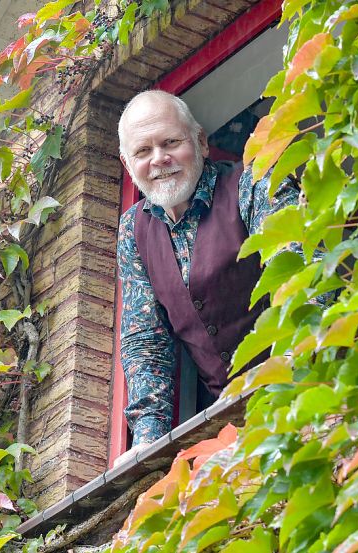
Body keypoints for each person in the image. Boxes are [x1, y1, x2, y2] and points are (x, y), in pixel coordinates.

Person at [114, 90, 297, 462]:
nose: (159, 159)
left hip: (299, 385)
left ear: (200, 142)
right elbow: (145, 339)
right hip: (229, 423)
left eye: (170, 142)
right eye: (143, 151)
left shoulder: (254, 182)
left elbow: (298, 275)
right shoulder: (133, 230)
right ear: (127, 164)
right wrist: (147, 439)